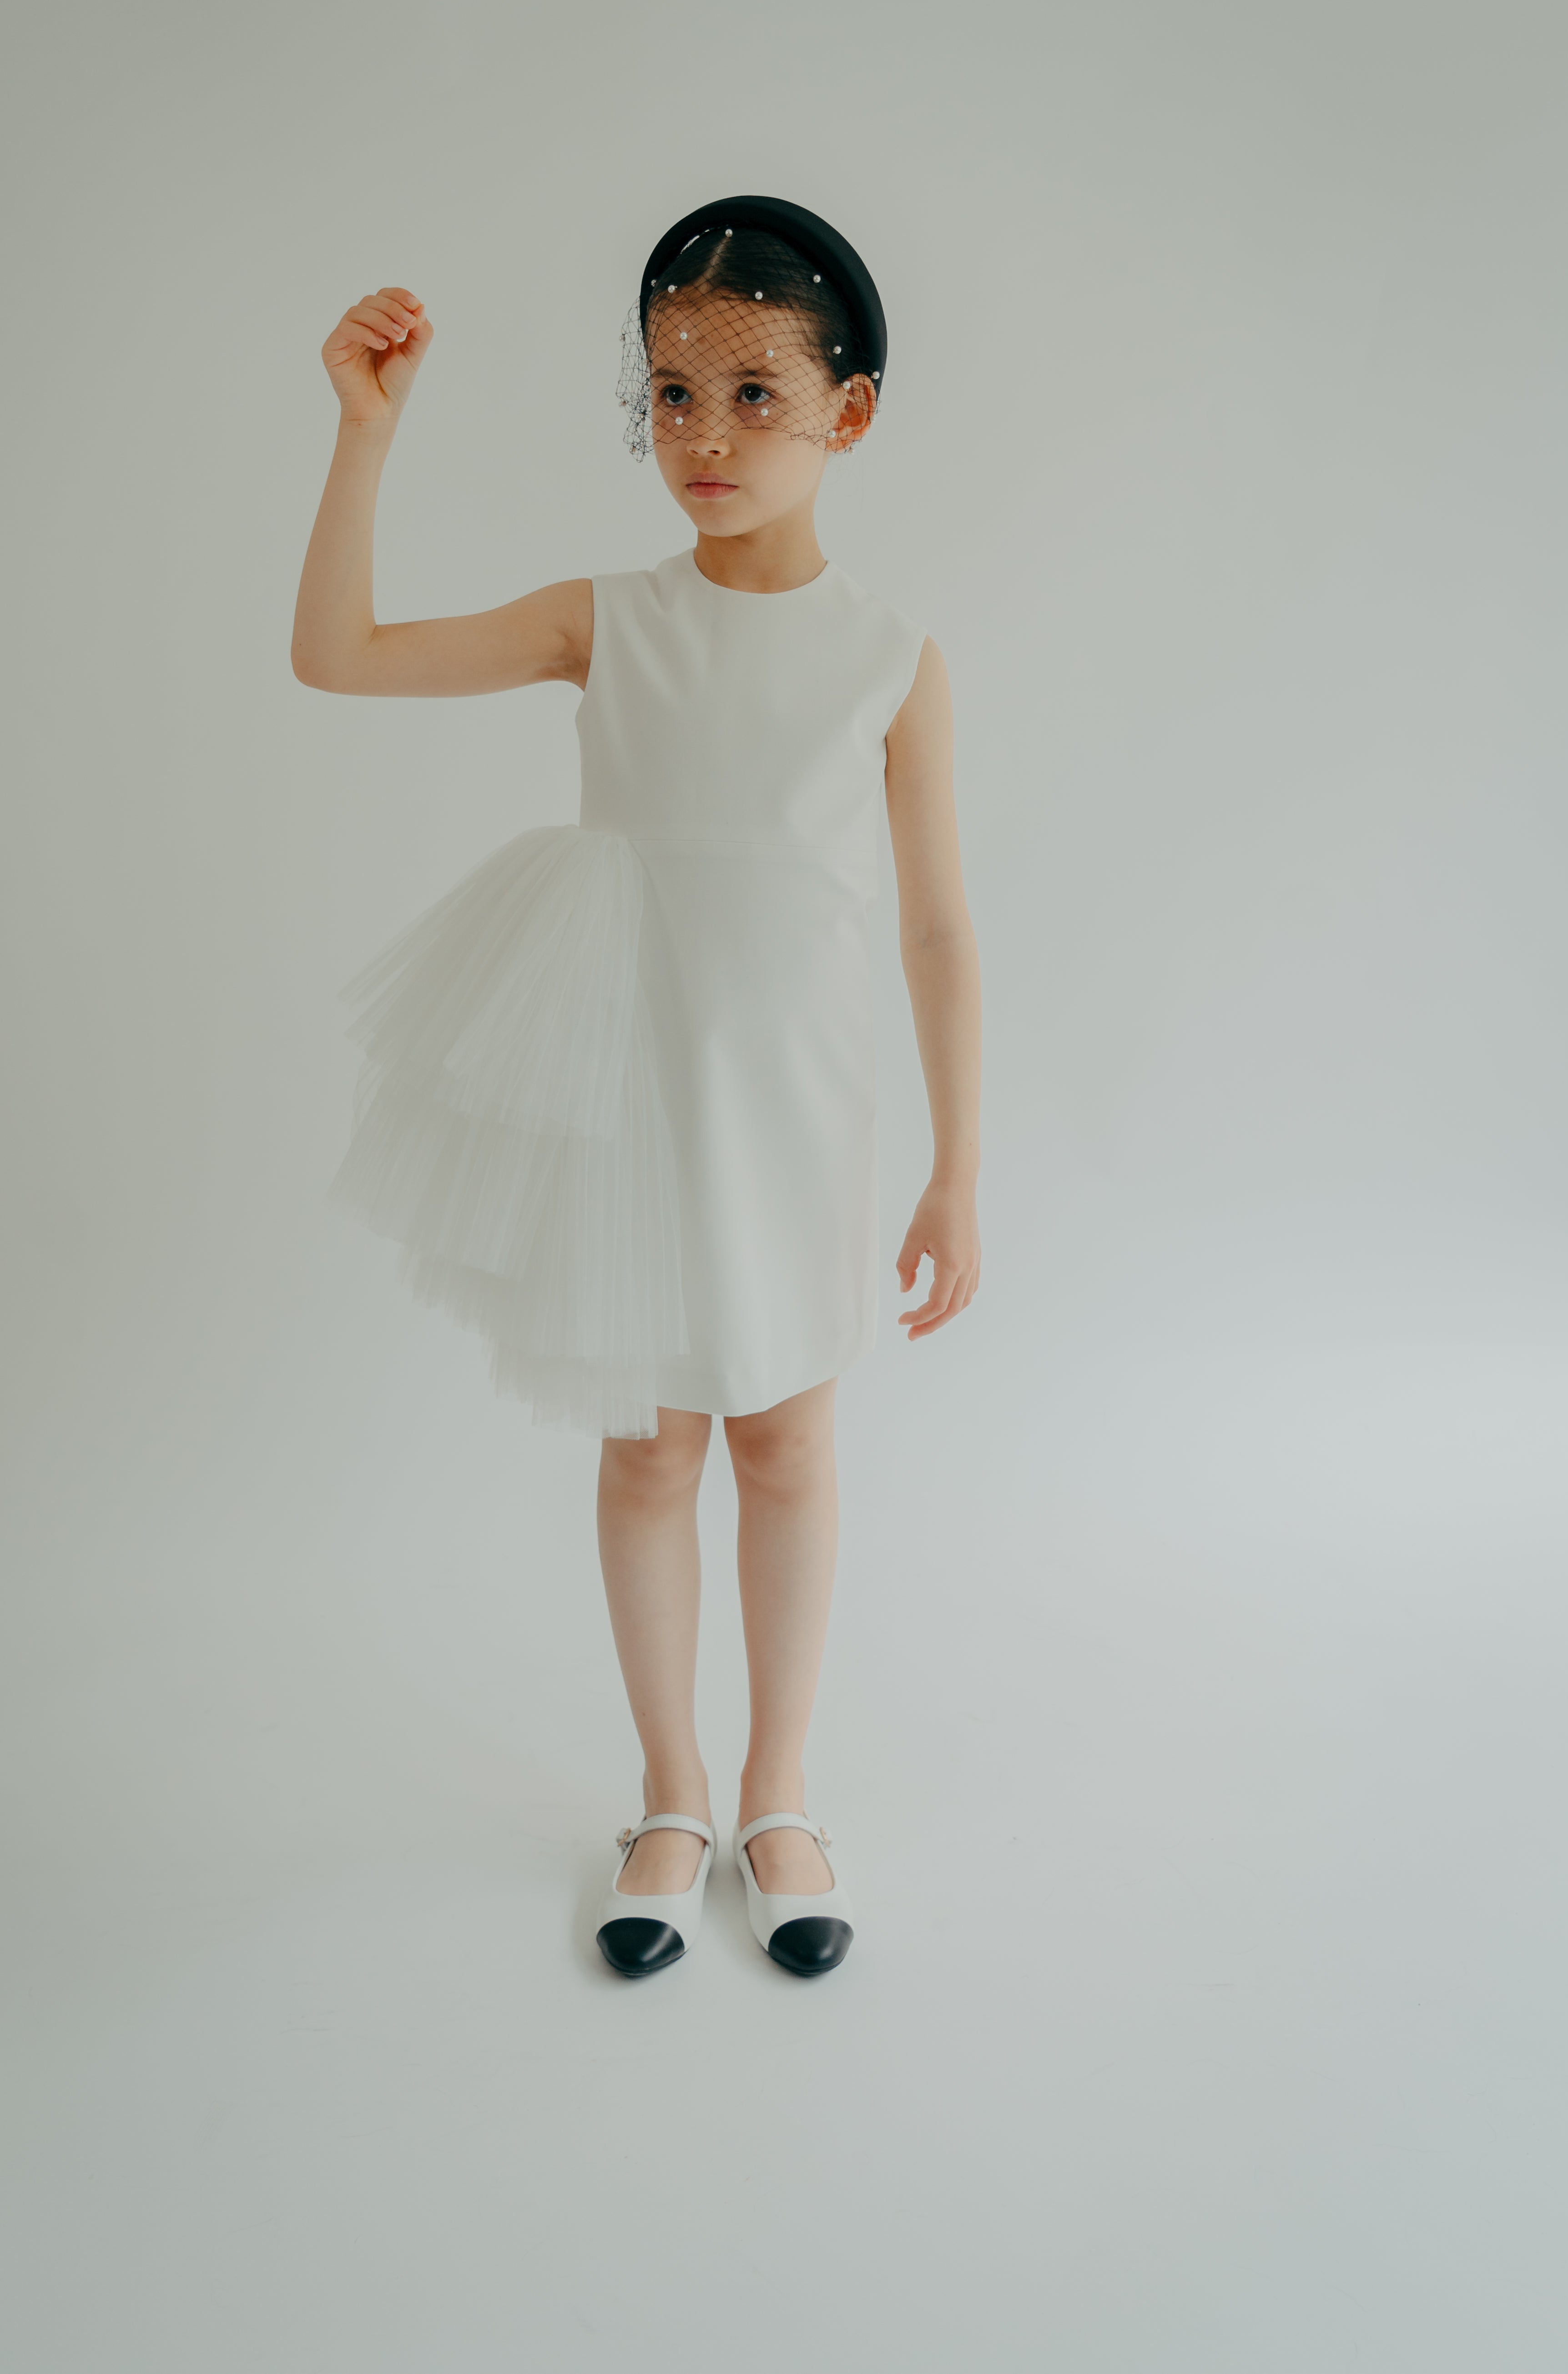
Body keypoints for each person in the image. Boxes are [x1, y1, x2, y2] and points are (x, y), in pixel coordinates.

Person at [292, 197, 981, 1980]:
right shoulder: (607, 620)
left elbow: (936, 934)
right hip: (633, 1077)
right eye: (672, 392)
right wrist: (366, 438)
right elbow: (339, 654)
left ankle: (778, 1789)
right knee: (647, 1443)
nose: (704, 436)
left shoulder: (891, 658)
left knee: (787, 1434)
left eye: (757, 394)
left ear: (855, 412)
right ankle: (668, 1792)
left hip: (794, 1095)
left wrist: (957, 1169)